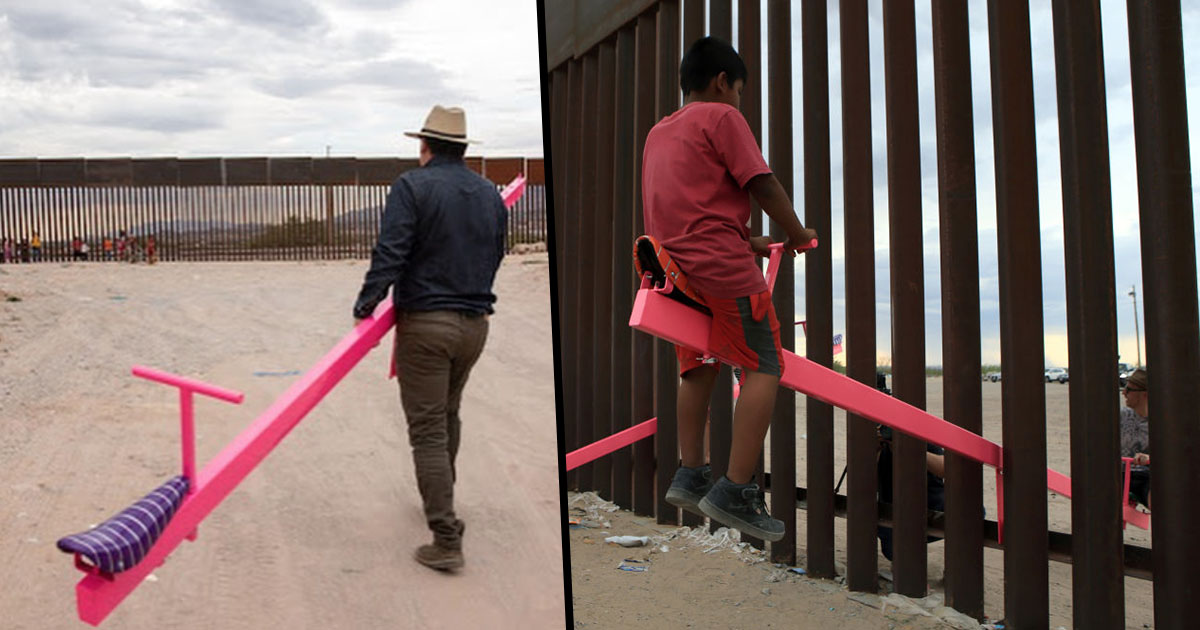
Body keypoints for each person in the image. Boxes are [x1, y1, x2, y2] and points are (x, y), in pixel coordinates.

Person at [644, 36, 817, 543]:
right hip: (719, 268)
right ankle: (736, 490)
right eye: (739, 90)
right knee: (765, 362)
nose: (739, 100)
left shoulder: (660, 131)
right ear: (722, 82)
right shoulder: (722, 117)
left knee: (699, 364)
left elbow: (687, 204)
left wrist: (750, 240)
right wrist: (797, 232)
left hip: (672, 271)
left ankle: (690, 471)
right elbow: (760, 182)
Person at [352, 105, 506, 572]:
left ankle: (446, 536)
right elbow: (495, 253)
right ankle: (441, 497)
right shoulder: (488, 194)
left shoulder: (412, 186)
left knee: (427, 430)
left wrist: (366, 304)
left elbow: (391, 251)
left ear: (425, 146)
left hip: (427, 325)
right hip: (475, 324)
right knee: (447, 414)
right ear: (461, 147)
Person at [1120, 368, 1151, 508]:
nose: (1124, 393)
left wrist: (1149, 459)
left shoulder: (1165, 424)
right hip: (1118, 475)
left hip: (1147, 477)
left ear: (1144, 394)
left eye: (1129, 389)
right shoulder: (1120, 415)